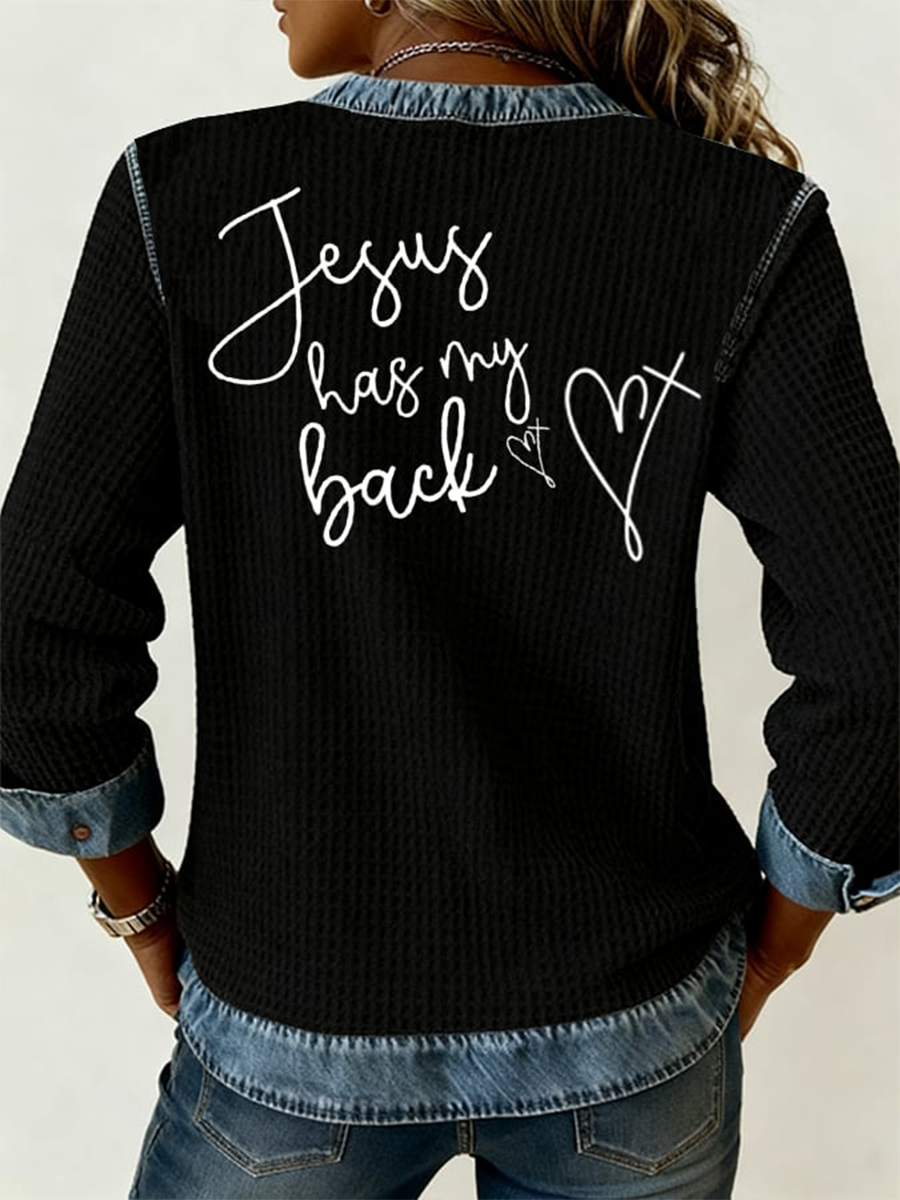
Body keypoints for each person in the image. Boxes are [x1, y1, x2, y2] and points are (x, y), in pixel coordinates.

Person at [1, 0, 897, 1197]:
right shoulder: (738, 219)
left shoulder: (186, 199)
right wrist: (777, 948)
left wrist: (141, 912)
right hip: (634, 1024)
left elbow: (31, 626)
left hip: (289, 1009)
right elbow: (880, 655)